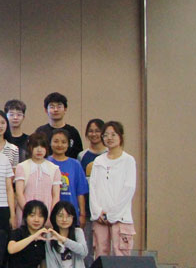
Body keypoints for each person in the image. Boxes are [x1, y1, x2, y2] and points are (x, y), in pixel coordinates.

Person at [89, 121, 137, 258]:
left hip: (121, 217)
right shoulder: (98, 161)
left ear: (121, 136)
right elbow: (93, 187)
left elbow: (129, 189)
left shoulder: (128, 160)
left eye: (113, 134)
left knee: (121, 255)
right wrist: (98, 212)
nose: (109, 138)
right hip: (100, 217)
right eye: (105, 135)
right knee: (100, 254)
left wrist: (112, 215)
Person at [14, 133, 61, 227]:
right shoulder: (22, 167)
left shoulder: (54, 168)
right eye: (35, 146)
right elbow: (19, 193)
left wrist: (50, 215)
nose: (39, 150)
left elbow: (56, 196)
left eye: (42, 146)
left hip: (47, 213)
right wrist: (28, 213)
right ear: (29, 148)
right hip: (25, 211)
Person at [48, 128, 88, 224]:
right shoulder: (45, 162)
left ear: (68, 144)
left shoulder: (75, 164)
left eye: (63, 142)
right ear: (50, 143)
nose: (59, 145)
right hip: (49, 213)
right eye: (56, 141)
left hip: (71, 213)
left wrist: (82, 214)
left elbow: (80, 192)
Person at [34, 92, 84, 160]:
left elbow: (78, 155)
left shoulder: (73, 132)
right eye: (52, 107)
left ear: (65, 109)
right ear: (46, 110)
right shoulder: (40, 132)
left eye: (59, 106)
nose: (55, 110)